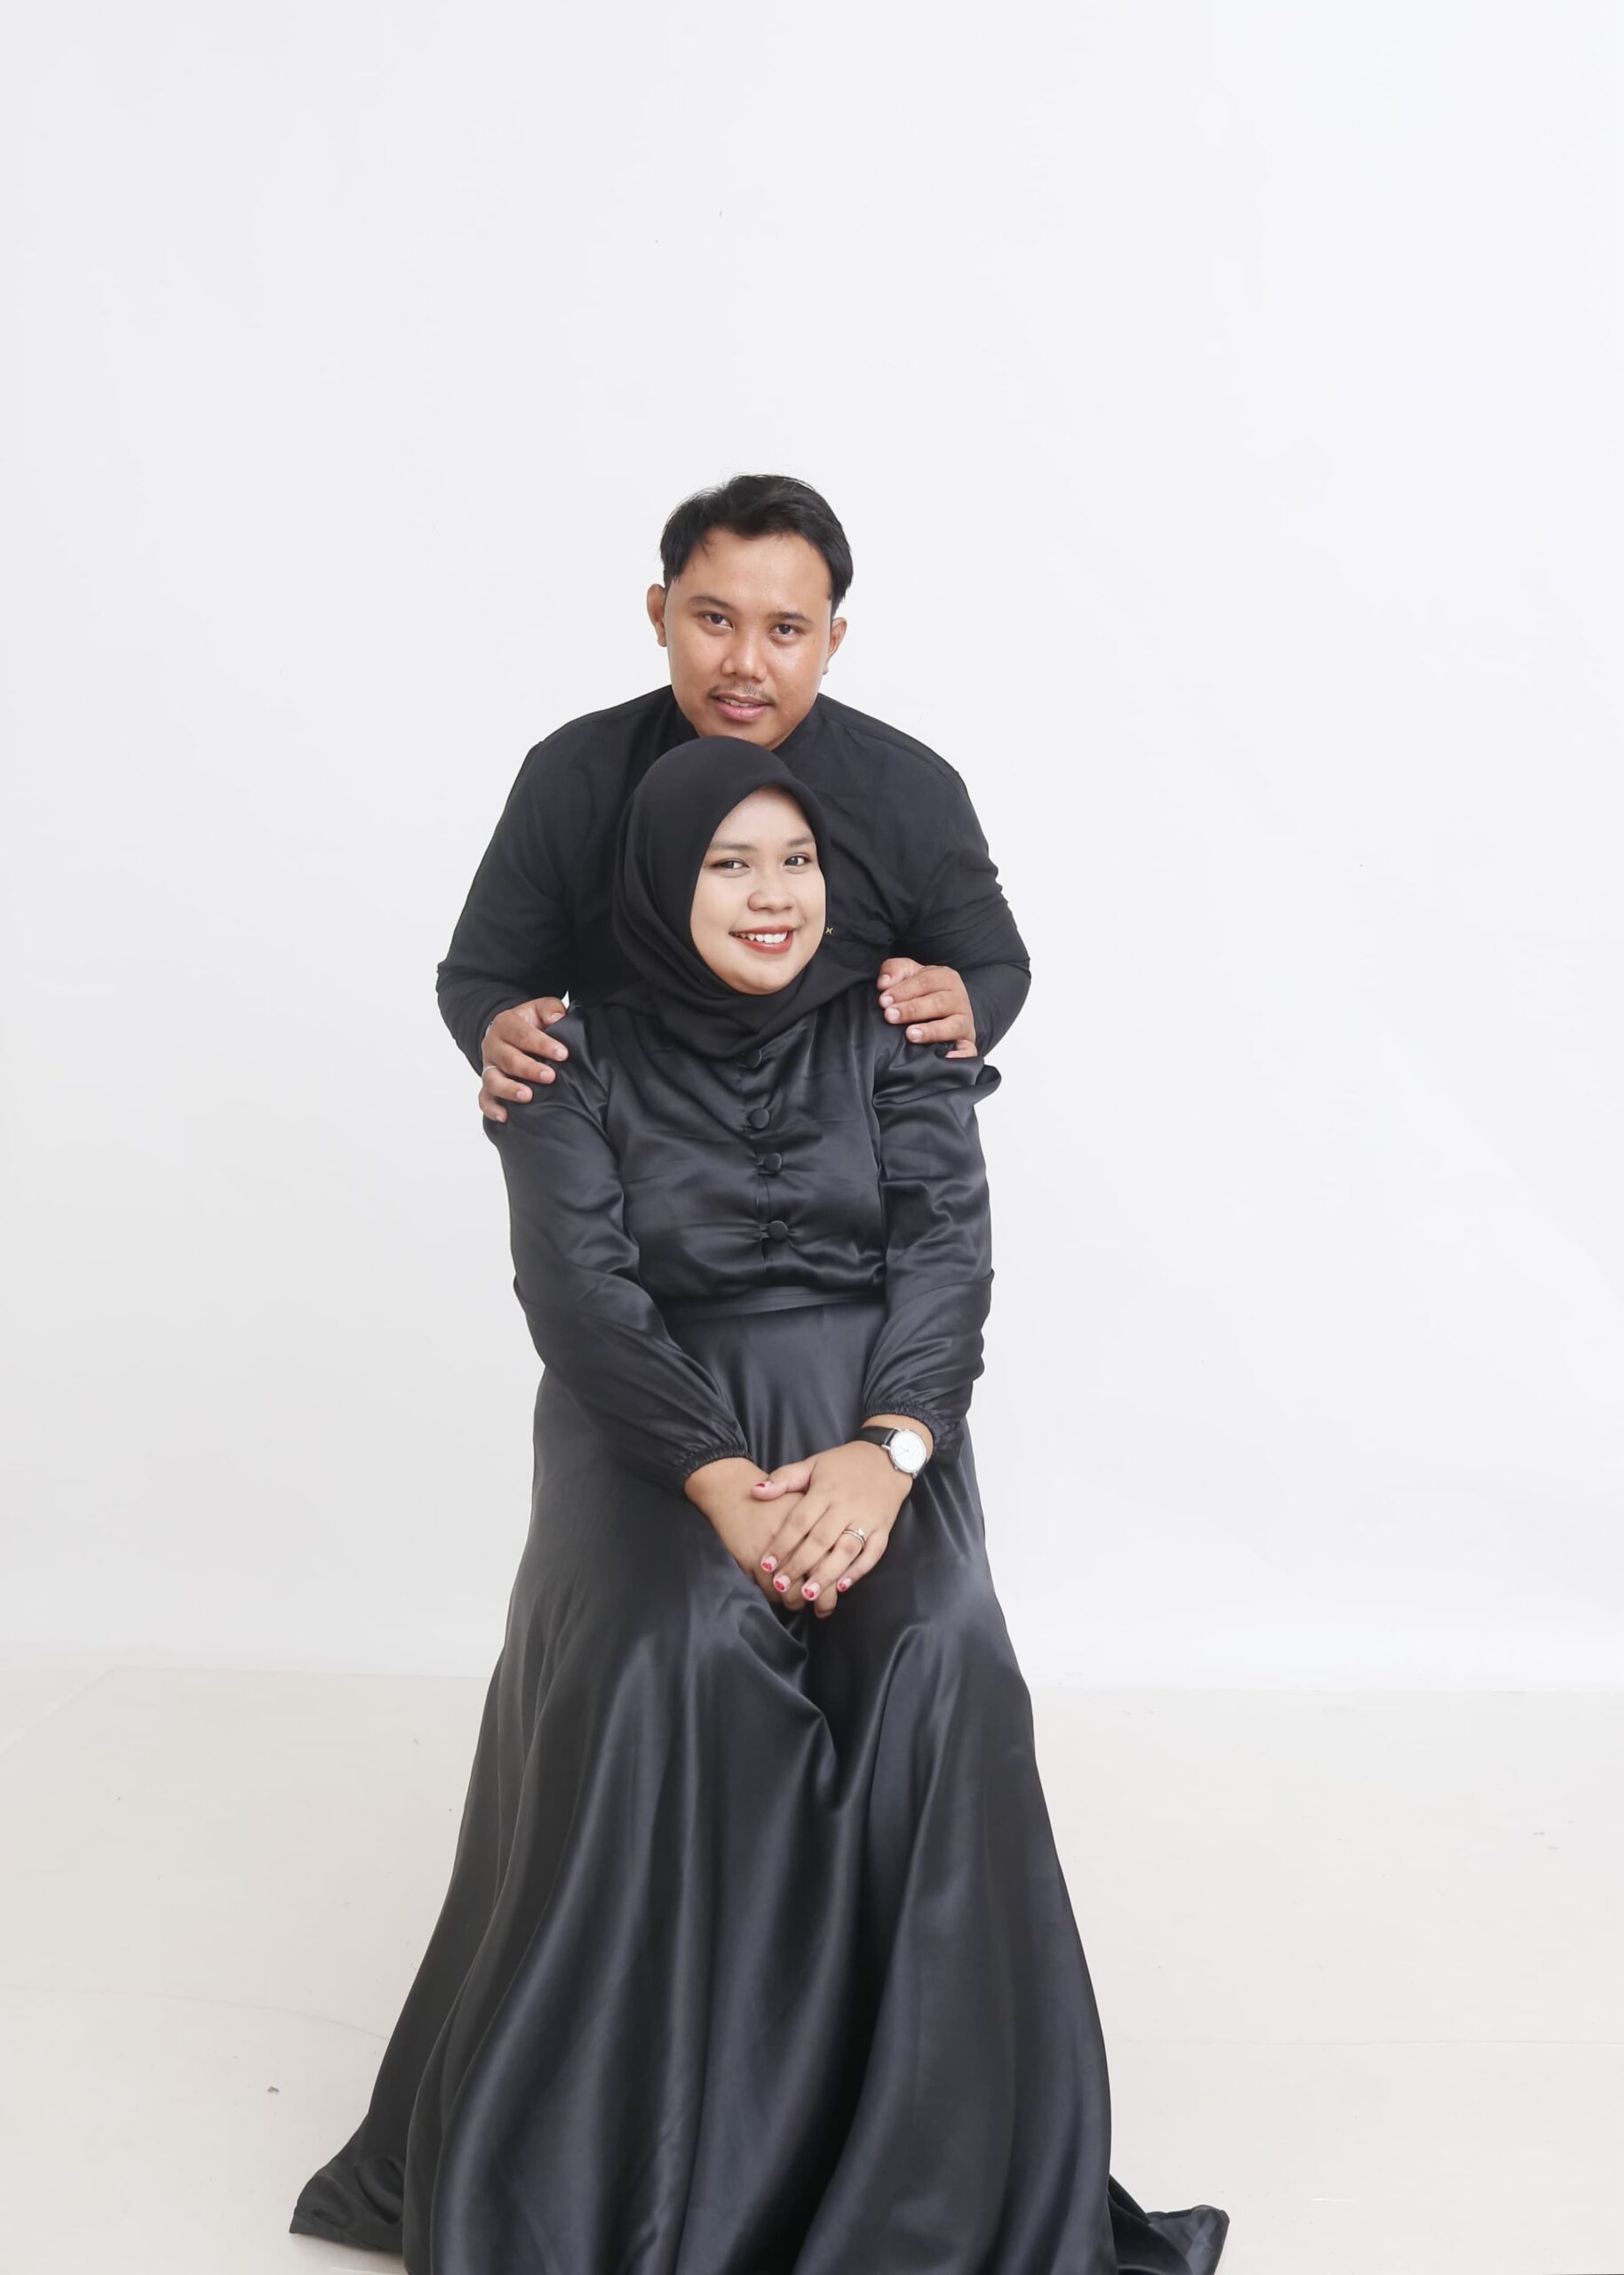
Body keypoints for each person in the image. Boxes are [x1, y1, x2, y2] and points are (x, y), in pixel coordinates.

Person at [289, 738, 1230, 2273]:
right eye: (729, 864)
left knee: (938, 1655)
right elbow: (581, 1297)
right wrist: (720, 1482)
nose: (772, 893)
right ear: (659, 883)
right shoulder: (564, 1058)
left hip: (874, 1429)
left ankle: (927, 2173)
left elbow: (947, 1256)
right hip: (647, 1434)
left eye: (797, 862)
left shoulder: (896, 1034)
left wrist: (889, 1453)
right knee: (682, 1653)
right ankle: (652, 2169)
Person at [434, 472, 1031, 1118]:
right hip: (628, 1148)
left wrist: (965, 1006)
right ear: (660, 615)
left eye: (786, 630)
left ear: (831, 642)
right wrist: (499, 1027)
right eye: (715, 619)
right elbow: (484, 977)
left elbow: (995, 965)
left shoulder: (911, 790)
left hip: (844, 1156)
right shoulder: (572, 774)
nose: (746, 663)